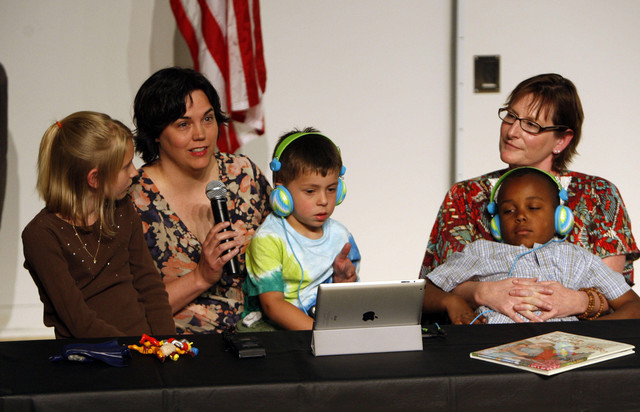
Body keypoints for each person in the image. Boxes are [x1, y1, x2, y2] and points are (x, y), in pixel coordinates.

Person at [420, 73, 639, 322]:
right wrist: (481, 292)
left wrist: (578, 301)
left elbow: (615, 299)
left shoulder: (599, 194)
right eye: (511, 116)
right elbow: (433, 288)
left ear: (562, 140)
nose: (512, 131)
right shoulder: (464, 196)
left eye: (532, 125)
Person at [130, 67, 271, 334]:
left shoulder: (244, 176)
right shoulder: (133, 200)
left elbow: (288, 249)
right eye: (183, 124)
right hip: (183, 354)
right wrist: (200, 277)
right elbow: (128, 310)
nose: (200, 134)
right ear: (157, 132)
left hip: (261, 340)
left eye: (207, 119)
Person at [22, 112, 175, 339]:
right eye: (125, 166)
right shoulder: (42, 235)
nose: (135, 172)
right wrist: (133, 352)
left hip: (143, 347)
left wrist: (166, 342)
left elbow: (149, 286)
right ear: (94, 179)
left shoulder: (122, 210)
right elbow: (78, 320)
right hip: (91, 356)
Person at [423, 167, 640, 324]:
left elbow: (633, 306)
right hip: (494, 349)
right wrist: (450, 302)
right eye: (508, 211)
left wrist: (592, 336)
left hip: (564, 354)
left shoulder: (578, 258)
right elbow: (423, 293)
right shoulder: (480, 251)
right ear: (496, 223)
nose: (521, 217)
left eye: (534, 207)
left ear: (560, 217)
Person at [241, 129, 360, 330]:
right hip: (277, 331)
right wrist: (322, 334)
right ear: (282, 194)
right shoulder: (269, 239)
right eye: (310, 191)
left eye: (331, 189)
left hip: (326, 326)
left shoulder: (342, 236)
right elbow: (273, 305)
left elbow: (344, 301)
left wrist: (342, 281)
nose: (323, 200)